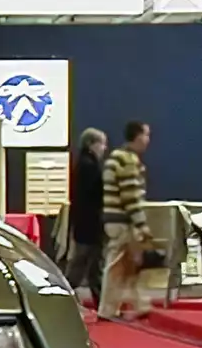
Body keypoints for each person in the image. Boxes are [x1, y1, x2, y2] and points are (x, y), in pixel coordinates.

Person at [99, 120, 154, 320]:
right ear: (138, 136)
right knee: (116, 266)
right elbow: (130, 197)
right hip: (123, 221)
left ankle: (140, 303)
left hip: (113, 219)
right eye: (146, 135)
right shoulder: (128, 161)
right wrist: (141, 225)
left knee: (130, 266)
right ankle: (107, 310)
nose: (148, 139)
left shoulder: (115, 158)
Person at [64, 127, 107, 302]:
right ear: (91, 144)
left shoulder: (82, 163)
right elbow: (97, 194)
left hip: (83, 222)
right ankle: (64, 294)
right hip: (90, 223)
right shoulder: (90, 166)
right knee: (85, 263)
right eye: (102, 144)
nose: (104, 148)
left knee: (86, 264)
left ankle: (100, 301)